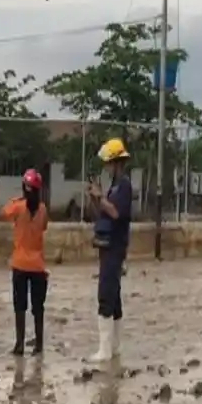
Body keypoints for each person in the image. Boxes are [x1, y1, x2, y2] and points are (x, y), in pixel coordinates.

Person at [87, 137, 133, 362]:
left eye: (108, 163)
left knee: (106, 293)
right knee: (113, 296)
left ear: (116, 163)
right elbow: (103, 214)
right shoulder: (114, 187)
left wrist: (100, 198)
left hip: (116, 247)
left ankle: (105, 350)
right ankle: (114, 347)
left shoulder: (124, 186)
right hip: (107, 245)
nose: (106, 168)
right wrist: (96, 200)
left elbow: (116, 213)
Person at [2, 169, 49, 356]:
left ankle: (19, 344)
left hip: (20, 264)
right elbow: (44, 226)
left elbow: (3, 212)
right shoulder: (43, 209)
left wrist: (15, 200)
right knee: (38, 307)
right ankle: (38, 345)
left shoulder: (18, 207)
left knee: (19, 306)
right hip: (37, 265)